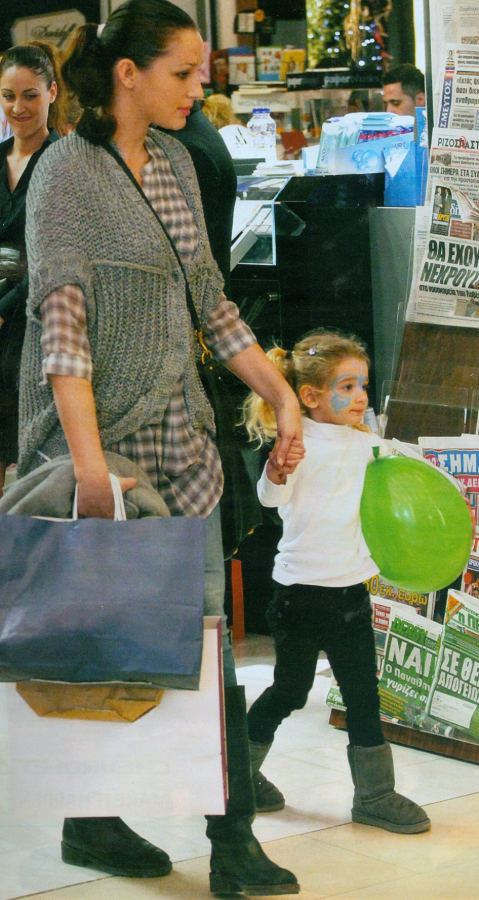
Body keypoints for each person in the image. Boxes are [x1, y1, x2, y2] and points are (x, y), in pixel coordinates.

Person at [18, 1, 303, 895]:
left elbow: (211, 302)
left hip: (184, 439)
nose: (196, 90)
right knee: (105, 637)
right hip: (105, 443)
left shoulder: (178, 162)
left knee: (205, 639)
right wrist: (87, 466)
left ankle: (230, 839)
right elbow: (62, 325)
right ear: (127, 73)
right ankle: (92, 819)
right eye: (181, 74)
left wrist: (279, 394)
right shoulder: (66, 173)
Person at [243, 329, 431, 835]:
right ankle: (238, 776)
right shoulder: (297, 440)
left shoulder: (369, 444)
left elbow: (409, 470)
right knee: (290, 689)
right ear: (310, 395)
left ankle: (375, 794)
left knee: (363, 694)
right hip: (299, 594)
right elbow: (270, 499)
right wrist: (277, 473)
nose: (360, 397)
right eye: (347, 387)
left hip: (350, 593)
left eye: (363, 386)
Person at [0, 41, 64, 497]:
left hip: (35, 322)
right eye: (8, 96)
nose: (18, 107)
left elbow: (55, 254)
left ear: (52, 93)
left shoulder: (64, 162)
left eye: (29, 95)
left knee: (27, 448)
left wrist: (5, 308)